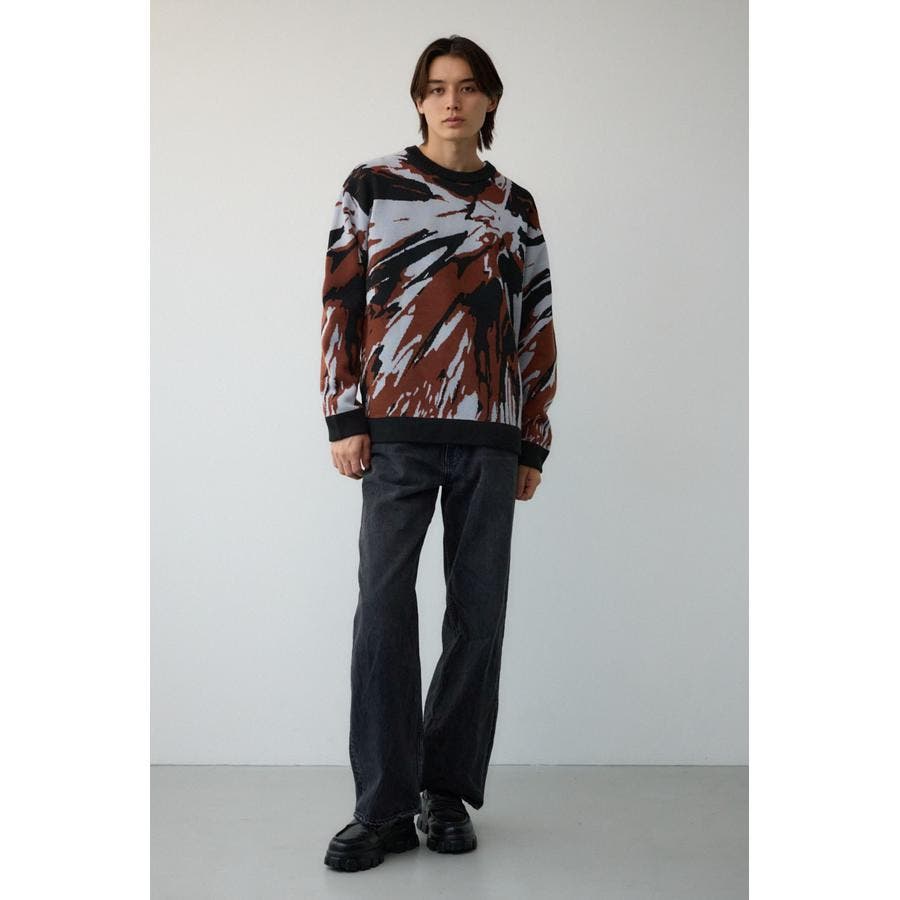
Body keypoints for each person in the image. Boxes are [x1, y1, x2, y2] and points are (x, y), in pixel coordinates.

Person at [320, 34, 558, 873]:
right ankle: (383, 808)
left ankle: (446, 792)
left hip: (490, 436)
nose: (450, 101)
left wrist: (533, 437)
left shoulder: (514, 204)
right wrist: (344, 417)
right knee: (384, 610)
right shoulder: (372, 186)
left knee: (477, 614)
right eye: (435, 87)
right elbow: (340, 303)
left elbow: (535, 321)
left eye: (466, 87)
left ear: (490, 100)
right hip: (395, 433)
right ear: (419, 99)